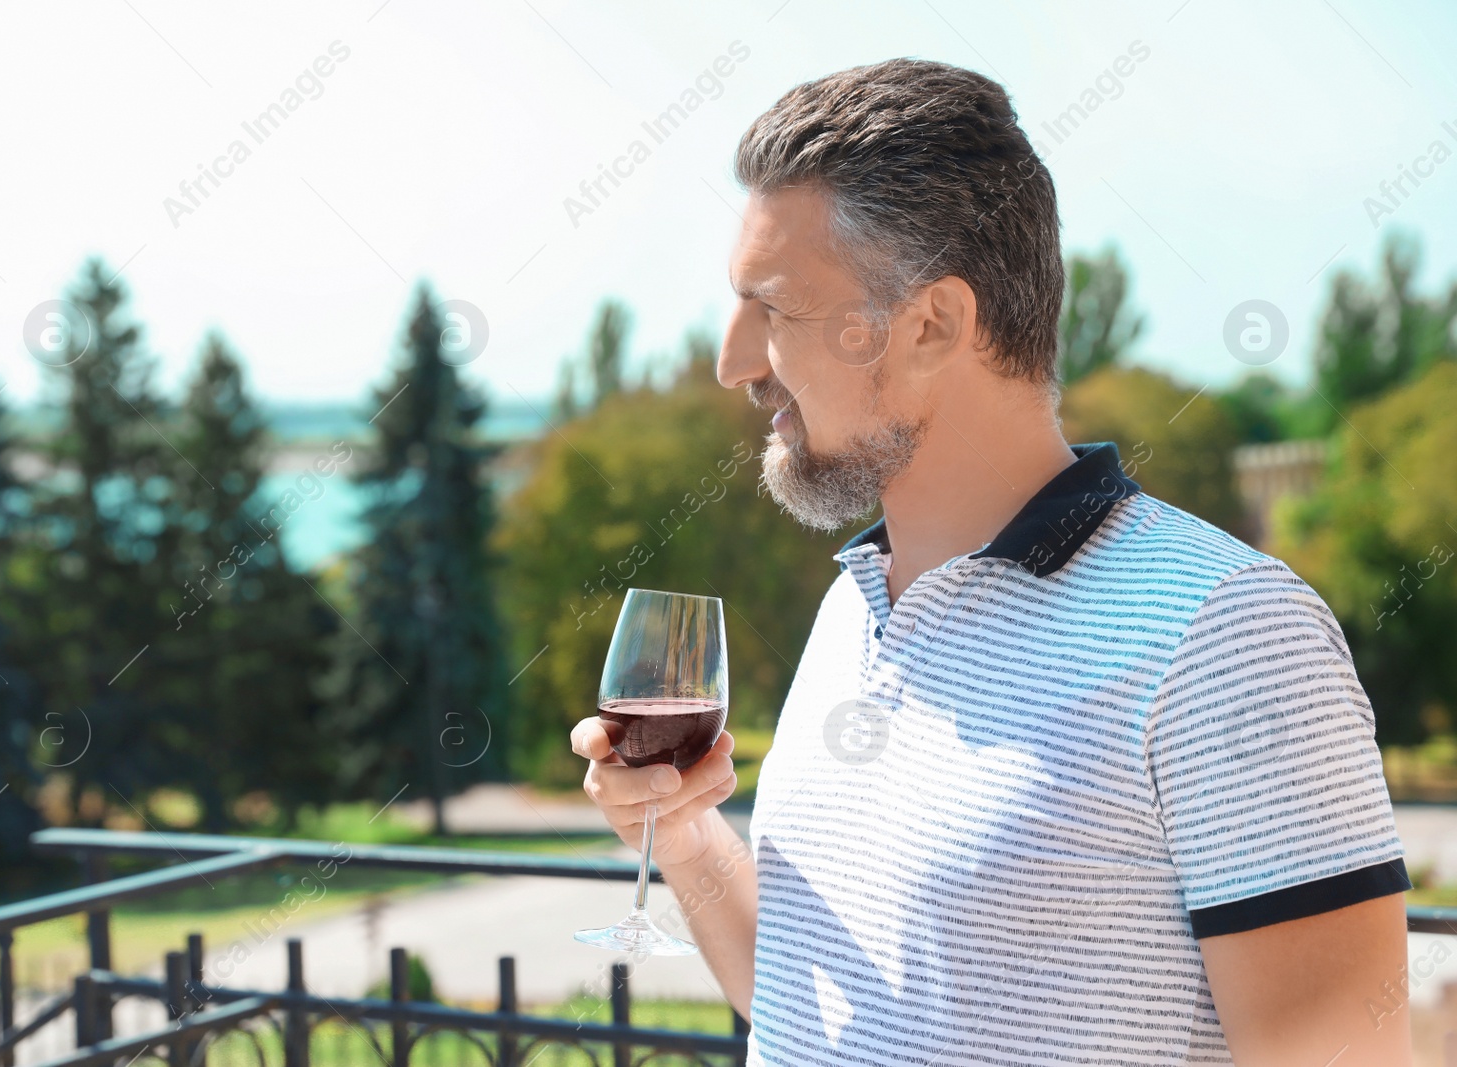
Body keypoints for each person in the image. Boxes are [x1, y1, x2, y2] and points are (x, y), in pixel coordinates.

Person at [570, 58, 1411, 1066]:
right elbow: (809, 996)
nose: (732, 361)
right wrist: (690, 837)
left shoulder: (1228, 635)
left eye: (773, 309)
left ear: (931, 324)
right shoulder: (858, 603)